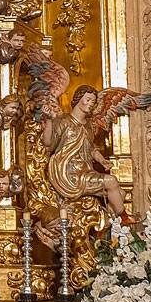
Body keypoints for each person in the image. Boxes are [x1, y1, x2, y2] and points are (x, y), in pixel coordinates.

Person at [41, 85, 126, 218]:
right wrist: (48, 120)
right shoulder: (63, 121)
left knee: (121, 194)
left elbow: (91, 149)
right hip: (69, 173)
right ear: (78, 99)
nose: (90, 104)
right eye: (87, 100)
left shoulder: (89, 125)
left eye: (93, 102)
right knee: (111, 181)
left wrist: (102, 160)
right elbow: (47, 142)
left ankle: (108, 224)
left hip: (85, 171)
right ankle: (124, 218)